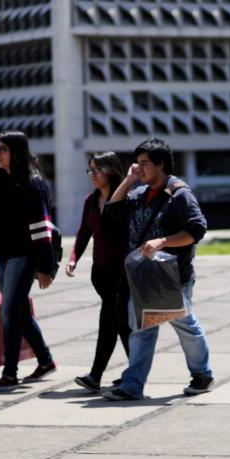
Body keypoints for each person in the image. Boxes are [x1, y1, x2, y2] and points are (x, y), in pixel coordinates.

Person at [101, 138, 211, 401]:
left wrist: (163, 241)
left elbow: (197, 230)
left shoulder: (180, 194)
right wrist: (128, 180)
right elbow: (112, 210)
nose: (139, 169)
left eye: (144, 164)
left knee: (185, 325)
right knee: (141, 329)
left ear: (161, 164)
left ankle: (202, 373)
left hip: (172, 276)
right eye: (137, 163)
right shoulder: (140, 194)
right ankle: (132, 386)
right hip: (143, 277)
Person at [0, 131, 58, 392]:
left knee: (9, 312)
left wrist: (45, 267)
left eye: (2, 149)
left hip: (23, 256)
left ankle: (10, 372)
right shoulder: (1, 180)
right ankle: (46, 361)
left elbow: (42, 228)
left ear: (16, 151)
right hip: (2, 256)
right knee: (20, 312)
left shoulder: (32, 183)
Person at [67, 152, 132, 392]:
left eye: (97, 170)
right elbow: (84, 232)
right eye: (89, 170)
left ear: (111, 170)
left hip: (123, 273)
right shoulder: (90, 201)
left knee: (110, 319)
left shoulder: (126, 199)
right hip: (101, 273)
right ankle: (135, 371)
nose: (92, 175)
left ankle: (95, 375)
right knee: (121, 323)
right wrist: (73, 259)